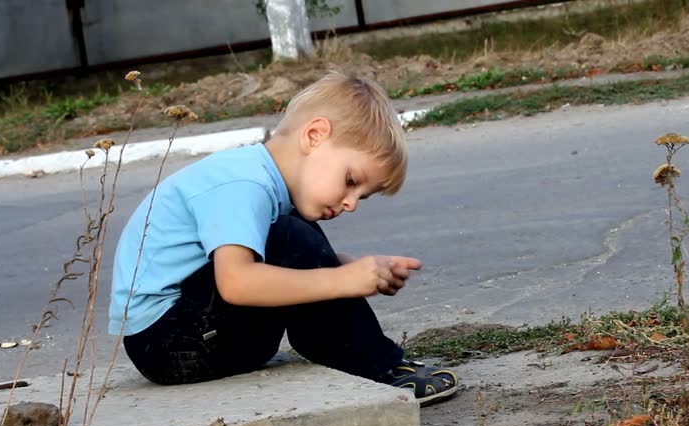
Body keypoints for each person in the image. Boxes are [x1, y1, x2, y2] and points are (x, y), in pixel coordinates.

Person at [108, 72, 457, 406]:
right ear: (315, 135)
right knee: (290, 235)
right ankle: (374, 366)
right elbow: (236, 284)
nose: (351, 203)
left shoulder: (263, 182)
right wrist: (339, 279)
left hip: (189, 334)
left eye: (363, 196)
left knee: (295, 232)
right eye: (352, 180)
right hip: (168, 345)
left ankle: (360, 357)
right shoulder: (244, 184)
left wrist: (346, 268)